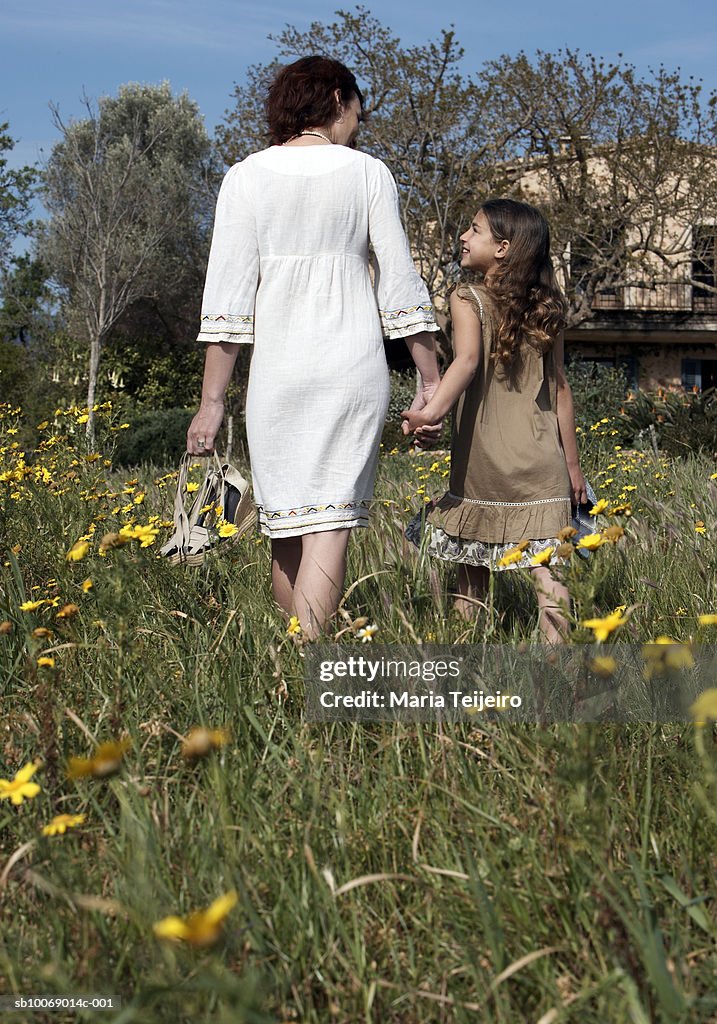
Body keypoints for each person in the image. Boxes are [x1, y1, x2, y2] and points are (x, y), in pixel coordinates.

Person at [187, 56, 440, 637]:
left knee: (286, 527)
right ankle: (311, 672)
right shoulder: (368, 174)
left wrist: (212, 402)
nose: (359, 123)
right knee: (328, 523)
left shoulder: (244, 177)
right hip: (350, 369)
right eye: (358, 110)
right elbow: (400, 283)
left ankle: (294, 669)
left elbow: (227, 304)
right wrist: (431, 379)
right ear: (336, 98)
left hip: (277, 376)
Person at [402, 199, 587, 643]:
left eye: (474, 230)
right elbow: (560, 388)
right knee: (551, 583)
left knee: (471, 576)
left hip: (482, 463)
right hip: (543, 462)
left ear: (502, 248)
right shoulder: (548, 309)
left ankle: (468, 664)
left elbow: (465, 363)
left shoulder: (467, 298)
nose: (463, 237)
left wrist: (429, 414)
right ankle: (556, 680)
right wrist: (573, 467)